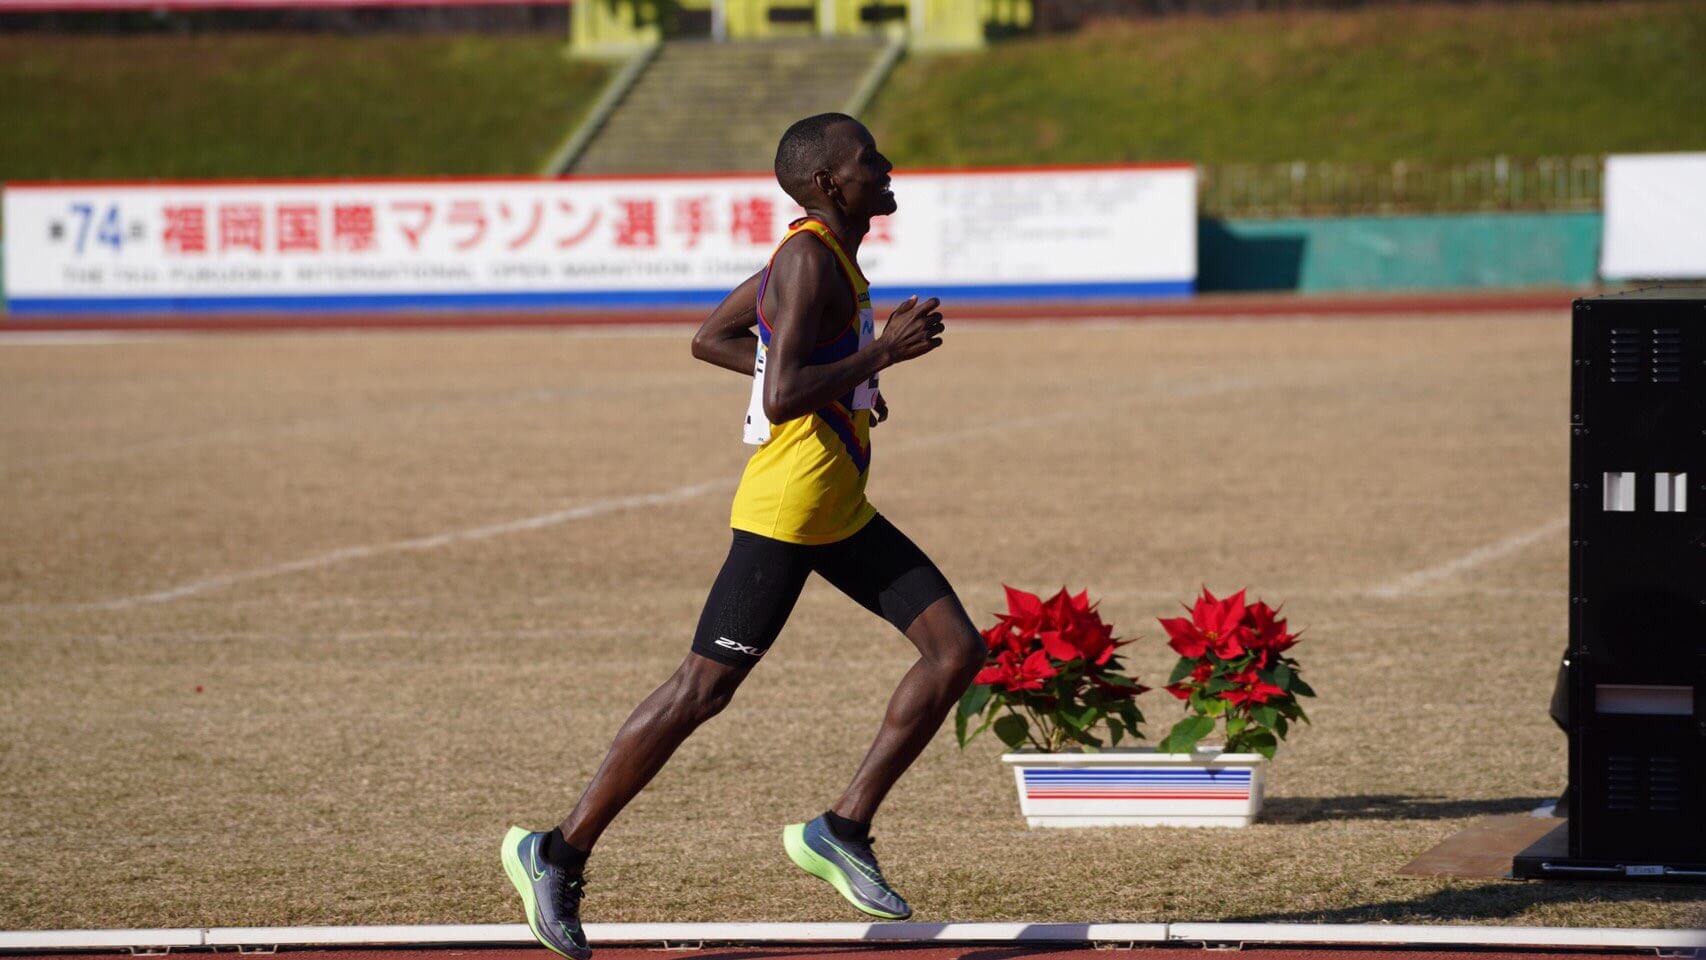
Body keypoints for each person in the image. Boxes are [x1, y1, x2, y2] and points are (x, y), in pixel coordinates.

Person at [500, 113, 988, 959]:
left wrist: (851, 392)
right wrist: (878, 359)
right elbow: (782, 391)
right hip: (788, 512)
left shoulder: (820, 253)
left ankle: (841, 827)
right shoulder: (805, 259)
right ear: (830, 184)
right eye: (867, 159)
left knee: (955, 651)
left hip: (834, 507)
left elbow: (715, 339)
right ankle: (557, 850)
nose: (885, 166)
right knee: (702, 690)